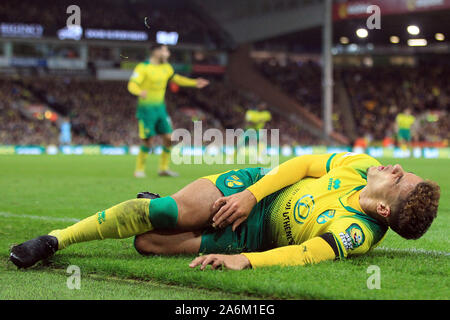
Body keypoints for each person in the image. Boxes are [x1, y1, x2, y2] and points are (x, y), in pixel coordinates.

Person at [10, 152, 440, 270]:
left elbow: (305, 254)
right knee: (162, 212)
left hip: (252, 237)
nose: (396, 168)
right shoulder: (363, 166)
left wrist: (243, 258)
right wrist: (251, 194)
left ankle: (162, 206)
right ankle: (54, 240)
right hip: (257, 190)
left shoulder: (358, 233)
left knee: (147, 243)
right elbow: (304, 164)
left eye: (400, 179)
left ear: (383, 208)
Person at [128, 44, 209, 178]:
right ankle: (139, 169)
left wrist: (194, 83)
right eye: (165, 50)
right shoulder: (143, 67)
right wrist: (139, 91)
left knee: (169, 138)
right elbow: (132, 84)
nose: (168, 53)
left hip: (160, 108)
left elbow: (176, 79)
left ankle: (163, 168)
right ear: (156, 52)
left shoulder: (166, 67)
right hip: (146, 109)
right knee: (148, 140)